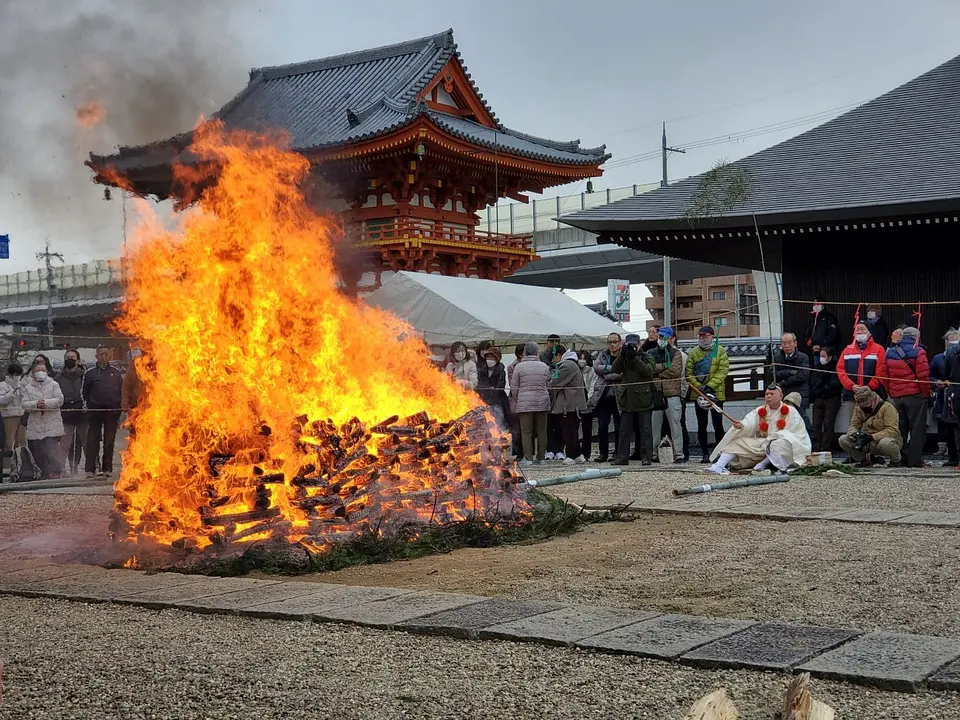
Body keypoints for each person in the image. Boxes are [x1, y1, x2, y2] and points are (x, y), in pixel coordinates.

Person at [707, 384, 811, 475]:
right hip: (762, 442)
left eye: (772, 394)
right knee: (737, 442)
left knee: (780, 442)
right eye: (767, 394)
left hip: (778, 442)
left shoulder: (791, 411)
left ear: (781, 396)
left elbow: (796, 433)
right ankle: (719, 466)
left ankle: (765, 464)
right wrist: (742, 425)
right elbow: (750, 421)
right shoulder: (761, 410)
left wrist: (777, 436)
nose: (769, 396)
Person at [884, 326, 930, 467]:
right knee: (917, 429)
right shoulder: (919, 351)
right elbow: (923, 376)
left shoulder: (890, 352)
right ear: (916, 337)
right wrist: (925, 393)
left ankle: (900, 459)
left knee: (899, 429)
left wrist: (891, 392)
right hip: (915, 395)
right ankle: (915, 461)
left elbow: (884, 375)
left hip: (897, 397)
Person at [610, 333, 656, 466]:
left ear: (639, 344)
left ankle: (646, 457)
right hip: (627, 398)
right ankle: (622, 457)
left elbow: (648, 371)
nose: (631, 347)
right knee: (624, 430)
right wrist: (623, 355)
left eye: (634, 345)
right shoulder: (624, 357)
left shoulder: (647, 356)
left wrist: (635, 357)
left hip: (643, 398)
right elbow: (615, 369)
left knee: (645, 430)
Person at [686, 326, 730, 461]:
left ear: (712, 336)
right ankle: (705, 453)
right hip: (699, 393)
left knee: (718, 424)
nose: (703, 339)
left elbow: (723, 371)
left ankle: (719, 452)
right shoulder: (693, 352)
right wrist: (700, 387)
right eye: (700, 336)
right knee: (702, 424)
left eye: (705, 336)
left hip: (716, 392)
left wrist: (710, 386)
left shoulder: (720, 351)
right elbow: (689, 372)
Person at [82, 346, 124, 478]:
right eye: (101, 354)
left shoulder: (116, 373)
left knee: (109, 441)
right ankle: (90, 469)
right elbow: (84, 392)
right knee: (92, 440)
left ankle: (107, 468)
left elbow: (121, 391)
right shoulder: (90, 373)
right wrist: (87, 407)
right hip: (95, 411)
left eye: (107, 354)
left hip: (112, 412)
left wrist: (119, 407)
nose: (104, 357)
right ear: (96, 356)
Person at [20, 360, 64, 479]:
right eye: (38, 371)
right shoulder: (27, 388)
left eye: (43, 370)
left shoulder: (54, 384)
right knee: (38, 451)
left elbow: (59, 400)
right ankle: (43, 473)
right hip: (35, 425)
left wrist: (46, 403)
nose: (40, 373)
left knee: (52, 450)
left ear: (47, 372)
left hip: (52, 424)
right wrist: (36, 404)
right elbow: (24, 404)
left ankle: (56, 472)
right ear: (33, 373)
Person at [838, 386, 903, 466]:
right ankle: (865, 460)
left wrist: (871, 437)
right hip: (867, 441)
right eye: (862, 407)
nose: (864, 408)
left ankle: (896, 461)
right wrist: (853, 433)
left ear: (873, 400)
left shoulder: (887, 408)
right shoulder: (859, 408)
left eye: (866, 405)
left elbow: (892, 430)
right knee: (843, 439)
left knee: (886, 443)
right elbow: (854, 424)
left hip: (887, 439)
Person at [512, 342, 551, 467]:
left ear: (524, 352)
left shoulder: (519, 367)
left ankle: (528, 458)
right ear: (537, 352)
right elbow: (548, 383)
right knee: (542, 431)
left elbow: (514, 387)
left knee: (526, 431)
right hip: (542, 401)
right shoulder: (544, 366)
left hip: (525, 403)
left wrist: (519, 399)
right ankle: (541, 457)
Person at [649, 327, 684, 462]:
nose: (661, 340)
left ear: (671, 338)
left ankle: (679, 454)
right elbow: (648, 370)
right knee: (654, 426)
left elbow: (675, 371)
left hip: (673, 394)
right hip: (656, 393)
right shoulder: (650, 352)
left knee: (676, 425)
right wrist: (665, 367)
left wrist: (657, 372)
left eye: (664, 337)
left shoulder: (676, 353)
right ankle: (653, 454)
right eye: (660, 337)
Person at [550, 349, 588, 465]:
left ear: (560, 355)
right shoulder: (573, 364)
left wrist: (552, 373)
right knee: (573, 429)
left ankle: (571, 454)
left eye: (555, 356)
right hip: (574, 402)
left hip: (569, 403)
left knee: (568, 430)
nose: (554, 359)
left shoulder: (567, 365)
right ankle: (578, 454)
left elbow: (554, 381)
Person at [55, 349, 87, 476]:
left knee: (87, 442)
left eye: (72, 357)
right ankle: (60, 469)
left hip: (83, 413)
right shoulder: (58, 378)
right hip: (66, 413)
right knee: (64, 444)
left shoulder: (85, 375)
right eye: (67, 357)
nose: (70, 359)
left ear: (77, 360)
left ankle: (92, 468)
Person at [931, 329, 959, 465]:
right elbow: (931, 375)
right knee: (946, 424)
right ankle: (951, 456)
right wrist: (937, 382)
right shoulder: (938, 358)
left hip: (955, 392)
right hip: (945, 394)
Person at [837, 323, 887, 401]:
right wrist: (851, 385)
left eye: (862, 329)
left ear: (869, 332)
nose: (859, 332)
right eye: (857, 329)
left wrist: (870, 386)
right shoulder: (847, 350)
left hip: (872, 394)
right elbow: (840, 369)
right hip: (851, 395)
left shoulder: (879, 349)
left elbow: (881, 371)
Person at [593, 333, 623, 463]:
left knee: (619, 426)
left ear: (620, 342)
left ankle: (617, 453)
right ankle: (603, 453)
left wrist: (608, 374)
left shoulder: (623, 355)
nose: (612, 344)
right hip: (604, 395)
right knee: (602, 426)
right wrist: (612, 369)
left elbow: (623, 371)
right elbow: (596, 368)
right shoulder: (602, 354)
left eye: (615, 341)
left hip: (619, 394)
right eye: (610, 342)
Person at [810, 346, 843, 452]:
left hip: (832, 397)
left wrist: (825, 387)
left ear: (829, 357)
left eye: (823, 356)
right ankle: (816, 447)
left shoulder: (836, 367)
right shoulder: (817, 367)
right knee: (816, 424)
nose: (821, 358)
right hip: (819, 397)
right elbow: (813, 380)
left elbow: (836, 383)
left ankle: (825, 448)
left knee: (828, 423)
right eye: (820, 356)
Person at [773, 332, 810, 410]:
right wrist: (789, 372)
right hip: (782, 393)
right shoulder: (776, 358)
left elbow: (802, 376)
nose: (787, 346)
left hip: (799, 393)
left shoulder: (803, 357)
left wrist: (784, 382)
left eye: (789, 343)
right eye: (784, 343)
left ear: (795, 343)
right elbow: (772, 374)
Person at [544, 344, 568, 460]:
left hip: (560, 401)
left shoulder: (564, 367)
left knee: (560, 427)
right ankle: (550, 449)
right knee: (549, 427)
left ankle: (559, 449)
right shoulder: (549, 368)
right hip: (549, 401)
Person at [477, 346, 509, 425]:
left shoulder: (501, 371)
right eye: (488, 357)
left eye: (492, 358)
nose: (489, 360)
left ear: (497, 359)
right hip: (483, 400)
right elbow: (481, 384)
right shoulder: (482, 370)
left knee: (498, 423)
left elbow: (501, 385)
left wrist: (493, 391)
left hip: (497, 401)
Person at [577, 350, 600, 462]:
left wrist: (588, 400)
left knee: (587, 430)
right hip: (576, 404)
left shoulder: (592, 371)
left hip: (588, 404)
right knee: (575, 430)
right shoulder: (576, 371)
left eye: (584, 358)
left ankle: (586, 453)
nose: (581, 361)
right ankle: (576, 452)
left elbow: (593, 386)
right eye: (580, 358)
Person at [0, 363, 25, 452]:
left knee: (21, 441)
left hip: (21, 415)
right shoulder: (2, 385)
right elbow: (1, 400)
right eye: (16, 375)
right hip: (8, 416)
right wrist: (10, 395)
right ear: (12, 374)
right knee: (9, 440)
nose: (18, 377)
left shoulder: (21, 385)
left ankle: (20, 461)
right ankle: (8, 461)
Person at [506, 343, 525, 458]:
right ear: (519, 354)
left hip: (529, 401)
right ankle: (517, 453)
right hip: (516, 401)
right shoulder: (511, 367)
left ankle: (528, 452)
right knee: (516, 430)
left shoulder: (535, 364)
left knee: (527, 430)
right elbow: (512, 384)